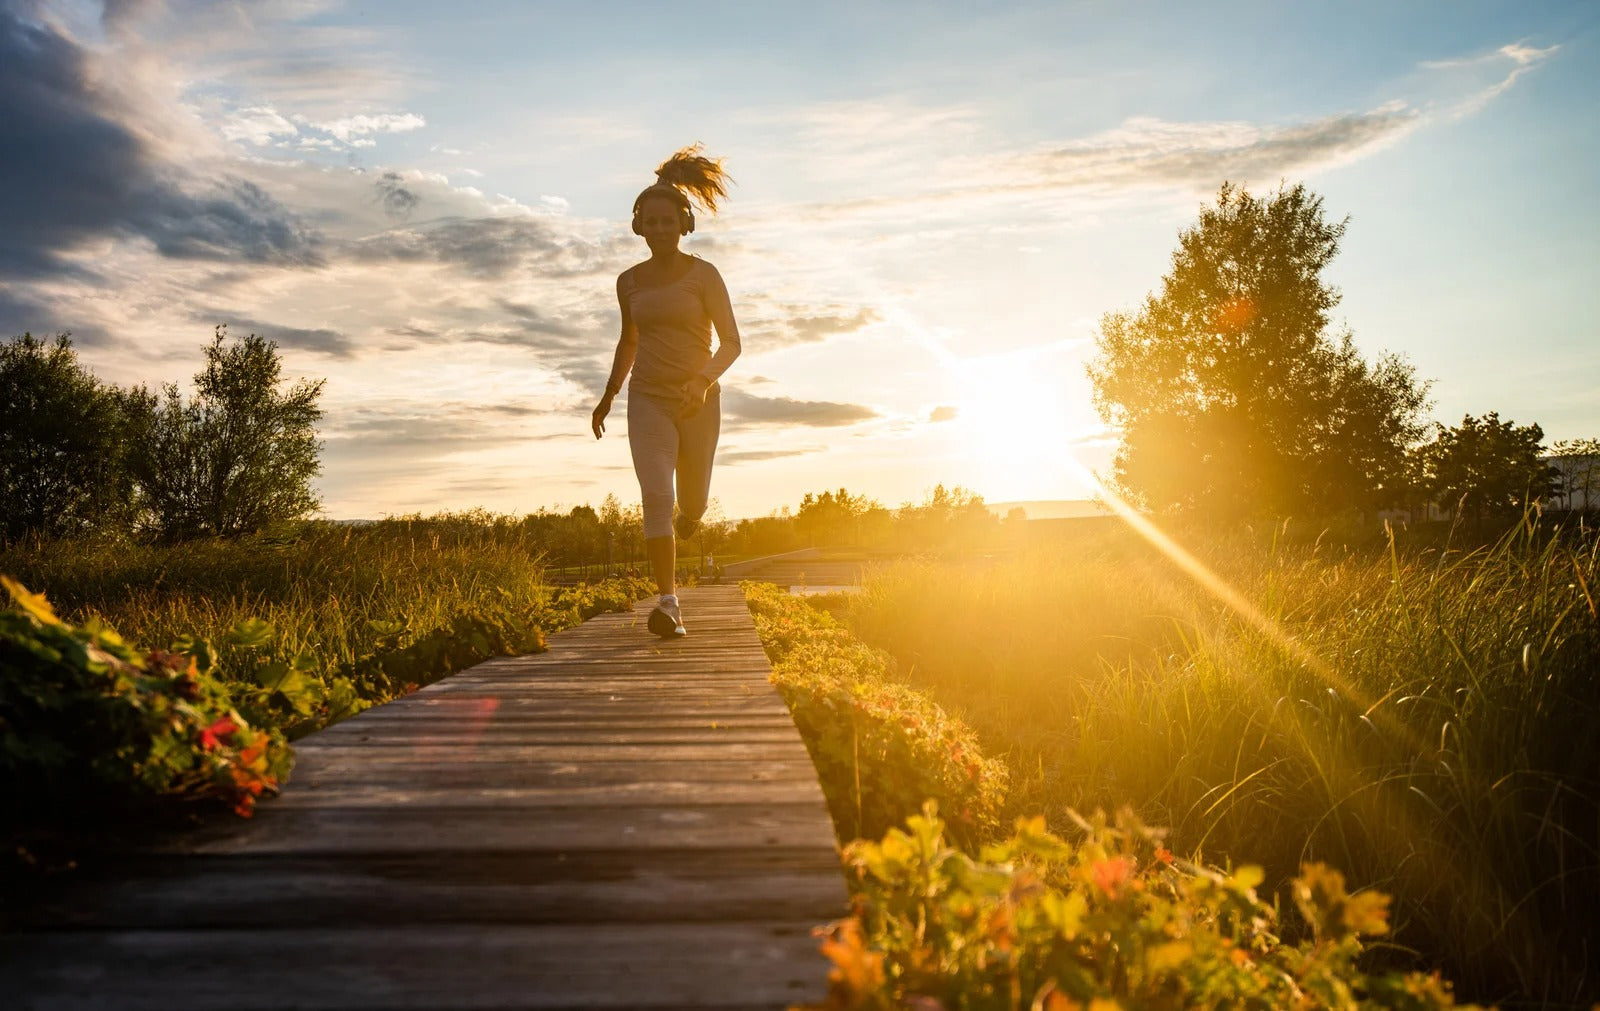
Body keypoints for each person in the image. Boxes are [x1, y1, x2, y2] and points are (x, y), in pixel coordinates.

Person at [591, 145, 740, 638]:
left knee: (691, 503)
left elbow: (732, 344)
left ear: (684, 224)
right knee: (656, 495)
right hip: (649, 399)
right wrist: (610, 393)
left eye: (666, 221)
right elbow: (629, 340)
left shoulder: (704, 276)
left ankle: (690, 518)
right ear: (638, 226)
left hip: (698, 400)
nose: (658, 230)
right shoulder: (628, 282)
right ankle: (669, 604)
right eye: (649, 222)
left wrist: (700, 382)